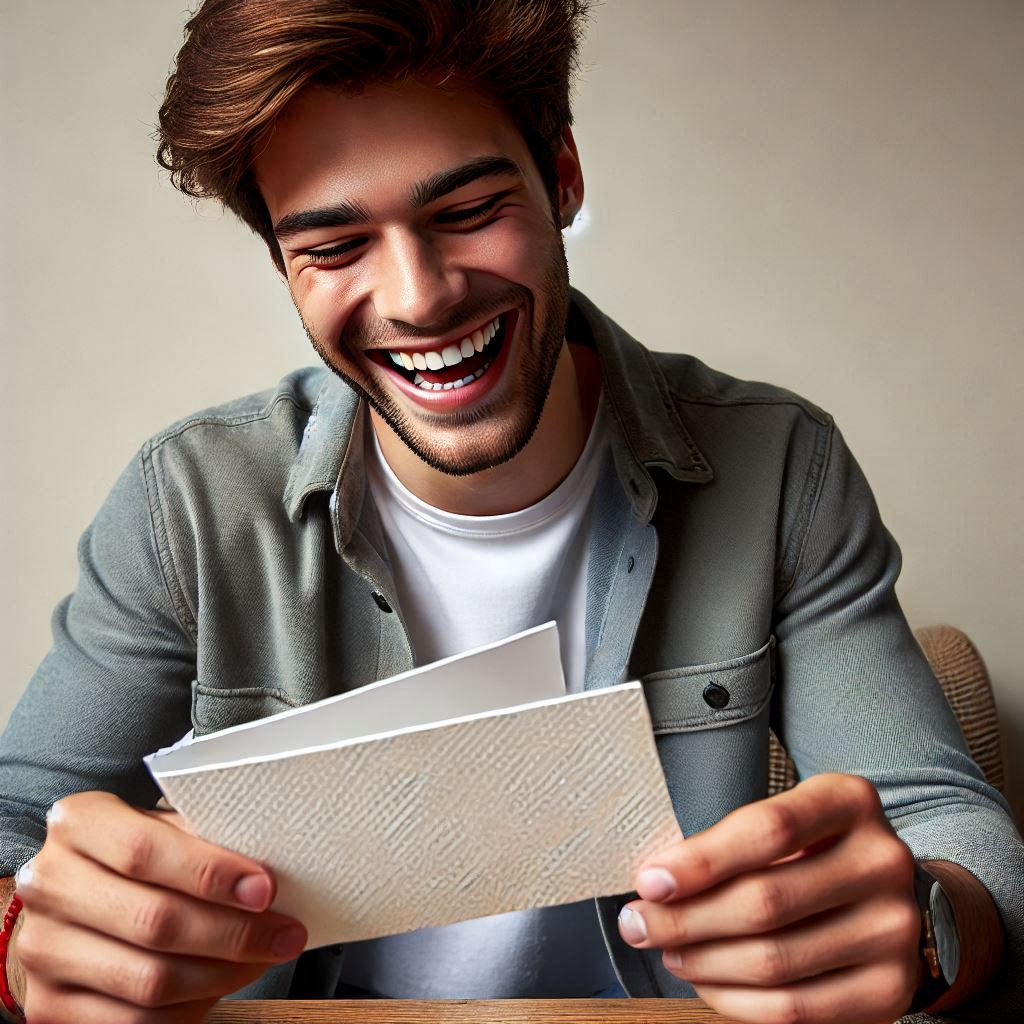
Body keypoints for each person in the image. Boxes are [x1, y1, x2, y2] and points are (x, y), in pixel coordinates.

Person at [0, 2, 1019, 1021]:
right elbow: (11, 833)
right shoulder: (186, 500)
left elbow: (951, 831)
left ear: (561, 175)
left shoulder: (779, 465)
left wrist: (925, 927)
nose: (418, 297)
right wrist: (25, 938)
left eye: (466, 210)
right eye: (335, 244)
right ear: (282, 264)